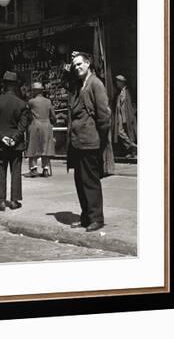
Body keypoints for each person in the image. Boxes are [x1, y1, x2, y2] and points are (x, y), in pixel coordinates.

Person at [67, 52, 111, 232]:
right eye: (75, 65)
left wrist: (100, 139)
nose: (77, 68)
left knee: (90, 181)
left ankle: (96, 218)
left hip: (90, 141)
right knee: (80, 181)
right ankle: (86, 216)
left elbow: (104, 115)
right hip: (78, 142)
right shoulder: (80, 85)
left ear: (88, 64)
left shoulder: (95, 83)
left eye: (80, 64)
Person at [0, 71, 30, 211]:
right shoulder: (21, 104)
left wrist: (2, 137)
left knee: (0, 171)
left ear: (4, 85)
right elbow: (23, 125)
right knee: (16, 171)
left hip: (0, 144)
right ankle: (14, 200)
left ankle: (0, 201)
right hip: (16, 144)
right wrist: (15, 138)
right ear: (15, 85)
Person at [24, 82, 57, 178]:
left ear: (34, 91)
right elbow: (53, 115)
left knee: (33, 146)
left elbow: (26, 112)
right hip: (46, 125)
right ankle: (45, 169)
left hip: (36, 124)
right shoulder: (48, 101)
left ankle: (33, 169)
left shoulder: (31, 102)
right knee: (45, 147)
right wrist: (53, 122)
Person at [112, 74, 137, 158]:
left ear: (122, 82)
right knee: (120, 132)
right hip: (120, 116)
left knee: (130, 133)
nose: (116, 83)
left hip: (128, 116)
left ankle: (132, 152)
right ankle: (132, 145)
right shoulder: (118, 93)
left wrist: (133, 112)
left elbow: (133, 103)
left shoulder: (128, 91)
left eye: (118, 81)